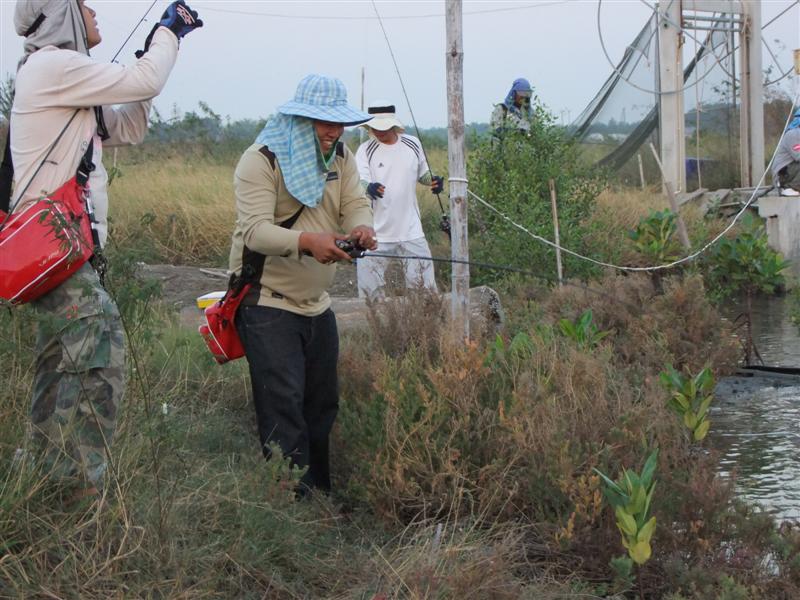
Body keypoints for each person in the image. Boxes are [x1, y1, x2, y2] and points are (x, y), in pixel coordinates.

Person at [9, 0, 202, 499]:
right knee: (101, 360)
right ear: (61, 15)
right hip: (56, 253)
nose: (93, 10)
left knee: (58, 369)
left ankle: (38, 481)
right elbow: (146, 79)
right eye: (82, 5)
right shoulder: (52, 65)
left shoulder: (66, 80)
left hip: (63, 255)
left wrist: (147, 58)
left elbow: (130, 127)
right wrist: (169, 33)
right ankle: (80, 490)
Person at [229, 74, 377, 496]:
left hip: (317, 305)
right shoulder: (260, 160)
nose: (332, 132)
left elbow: (354, 202)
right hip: (268, 306)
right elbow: (255, 232)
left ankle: (319, 499)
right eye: (320, 122)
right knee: (283, 410)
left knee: (321, 407)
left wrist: (361, 227)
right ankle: (289, 507)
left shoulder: (341, 157)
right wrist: (308, 242)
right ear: (297, 117)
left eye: (338, 123)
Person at [354, 100, 443, 299]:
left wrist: (434, 182)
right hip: (375, 231)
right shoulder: (365, 150)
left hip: (411, 229)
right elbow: (360, 182)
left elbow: (423, 174)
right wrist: (369, 188)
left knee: (424, 289)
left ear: (394, 125)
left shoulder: (413, 143)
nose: (379, 132)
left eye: (383, 127)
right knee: (370, 294)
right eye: (374, 128)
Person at [772, 108, 800, 197]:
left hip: (792, 171)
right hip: (783, 174)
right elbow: (798, 156)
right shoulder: (793, 134)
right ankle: (788, 187)